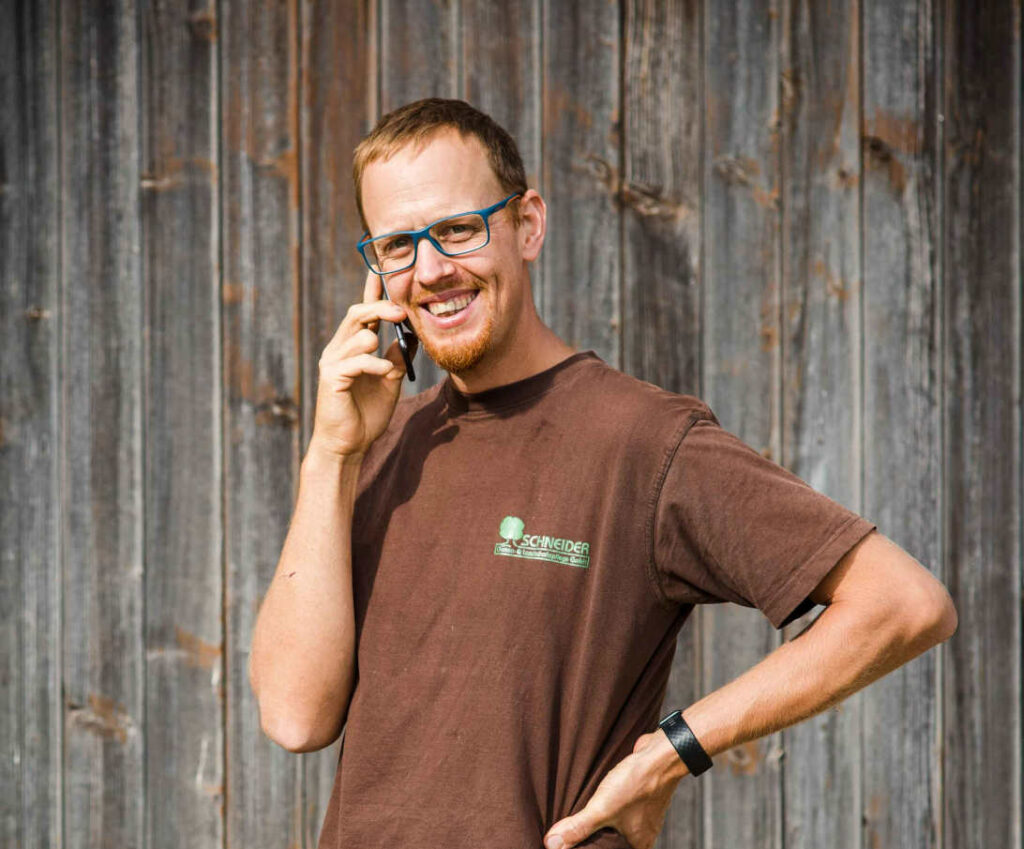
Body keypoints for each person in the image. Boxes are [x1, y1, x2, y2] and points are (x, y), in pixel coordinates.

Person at [248, 98, 958, 849]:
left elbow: (903, 603)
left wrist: (671, 752)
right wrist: (331, 455)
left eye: (457, 229)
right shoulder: (381, 446)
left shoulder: (643, 441)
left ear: (528, 224)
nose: (430, 270)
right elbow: (295, 716)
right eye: (397, 245)